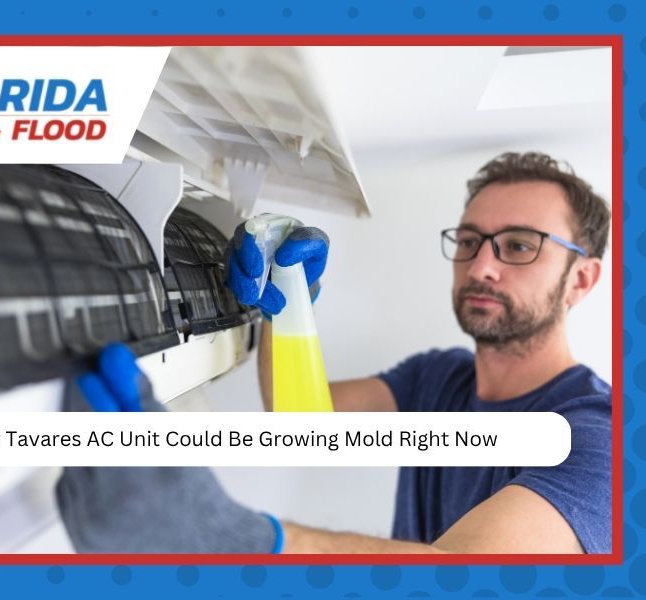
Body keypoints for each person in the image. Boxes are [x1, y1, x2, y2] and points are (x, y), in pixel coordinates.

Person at [56, 151, 612, 554]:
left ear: (581, 280)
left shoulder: (600, 439)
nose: (481, 265)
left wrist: (241, 539)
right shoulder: (441, 380)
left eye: (519, 245)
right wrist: (287, 303)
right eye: (469, 241)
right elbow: (300, 421)